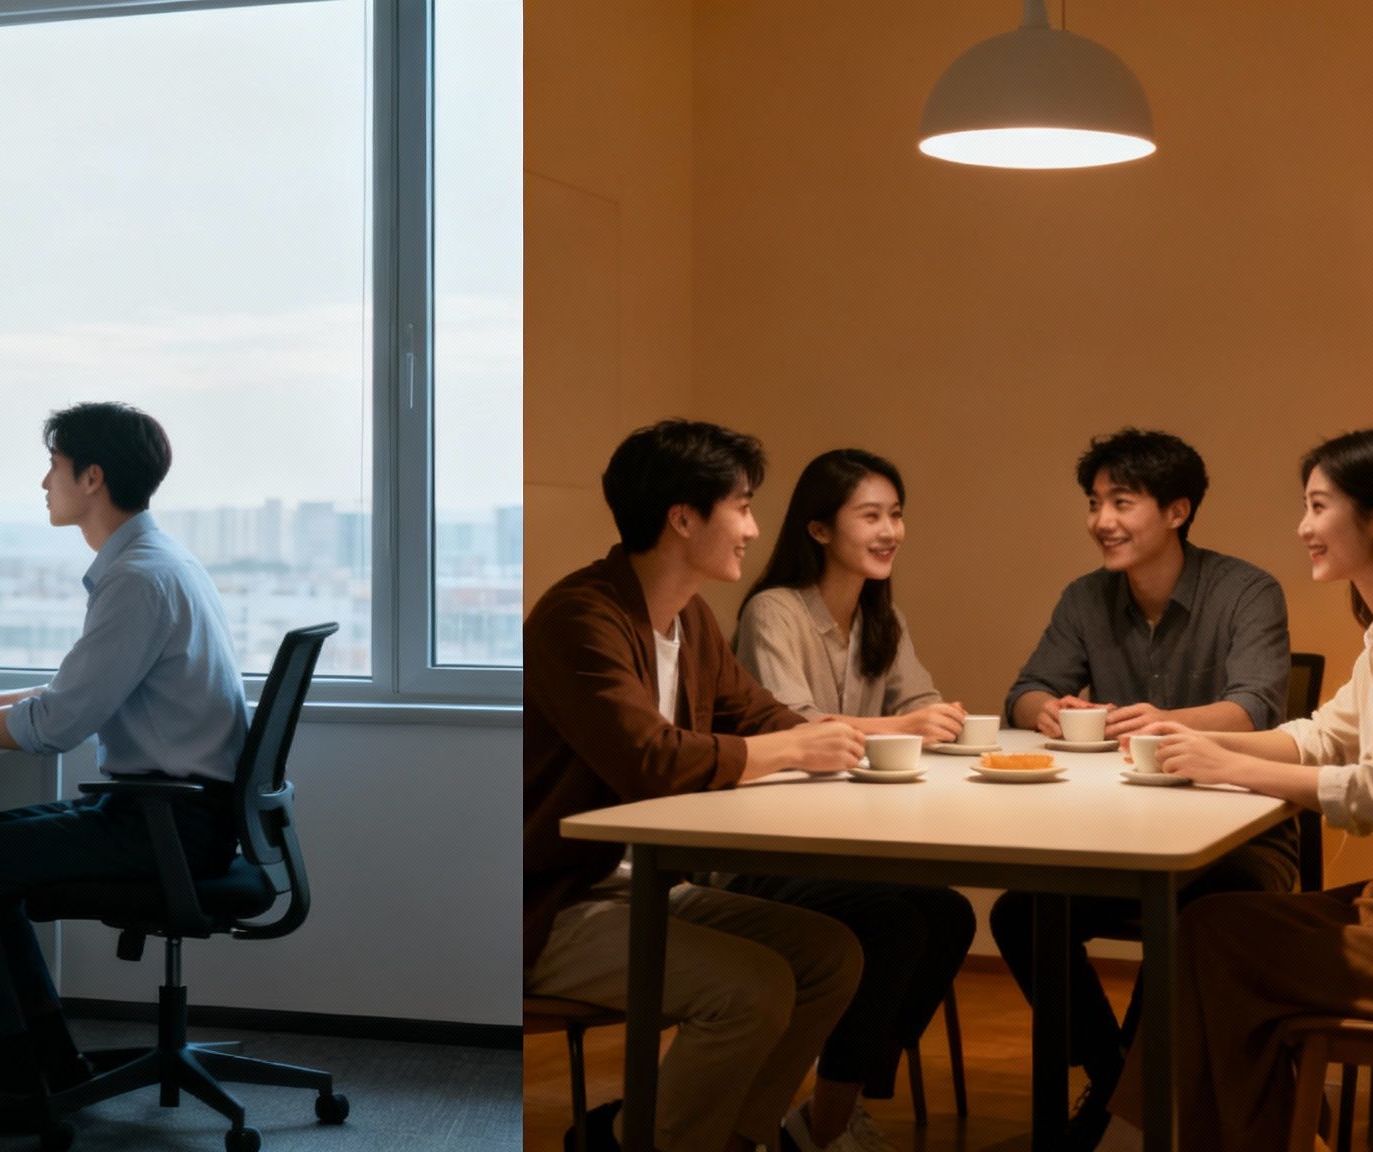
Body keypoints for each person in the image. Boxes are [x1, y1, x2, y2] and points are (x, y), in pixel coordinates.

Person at [1099, 426, 1373, 1151]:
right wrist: (1191, 740)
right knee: (1208, 930)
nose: (1303, 527)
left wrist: (1225, 766)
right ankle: (1173, 1136)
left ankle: (1147, 1137)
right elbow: (1319, 736)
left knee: (1223, 949)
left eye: (1317, 506)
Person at [0, 401, 250, 1139]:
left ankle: (15, 1079)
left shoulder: (137, 579)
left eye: (53, 467)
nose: (43, 483)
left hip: (166, 825)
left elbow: (54, 726)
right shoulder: (161, 562)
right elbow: (76, 691)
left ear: (92, 477)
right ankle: (51, 1063)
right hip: (174, 812)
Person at [524, 419, 868, 1152]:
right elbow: (650, 760)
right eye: (741, 506)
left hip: (643, 883)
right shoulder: (579, 617)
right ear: (683, 518)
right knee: (749, 990)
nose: (752, 528)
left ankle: (721, 1138)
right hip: (553, 901)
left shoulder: (690, 618)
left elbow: (759, 715)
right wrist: (793, 746)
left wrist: (843, 743)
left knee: (831, 955)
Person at [992, 428, 1295, 1147]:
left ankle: (1122, 1107)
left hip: (1236, 843)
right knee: (1020, 914)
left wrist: (1166, 721)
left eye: (1122, 502)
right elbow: (1024, 691)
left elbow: (1257, 707)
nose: (1102, 521)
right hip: (1118, 836)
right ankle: (1118, 1085)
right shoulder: (1085, 598)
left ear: (1177, 510)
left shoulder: (1246, 591)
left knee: (1200, 918)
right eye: (1094, 503)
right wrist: (1047, 710)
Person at [725, 448, 977, 1152]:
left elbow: (921, 701)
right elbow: (791, 726)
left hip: (845, 842)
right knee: (894, 924)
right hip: (765, 852)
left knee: (948, 914)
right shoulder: (774, 611)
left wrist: (940, 719)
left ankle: (830, 1111)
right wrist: (904, 726)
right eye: (871, 516)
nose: (890, 530)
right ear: (819, 529)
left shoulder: (879, 618)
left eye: (896, 514)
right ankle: (828, 1124)